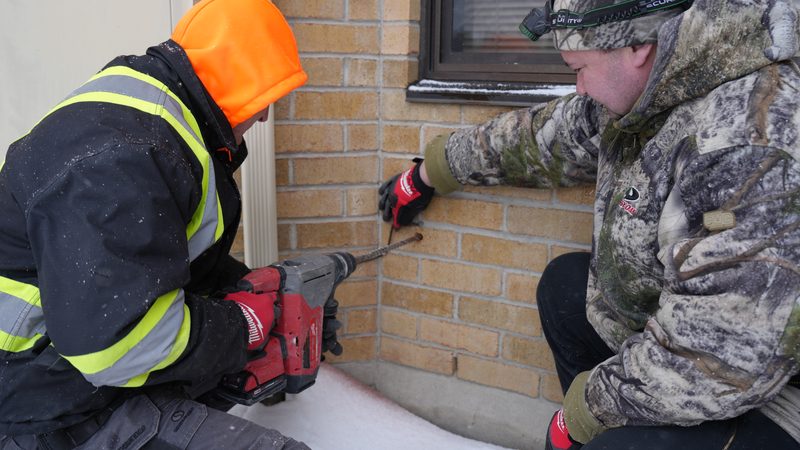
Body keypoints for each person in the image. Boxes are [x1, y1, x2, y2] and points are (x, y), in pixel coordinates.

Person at [379, 0, 800, 448]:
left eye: (579, 68)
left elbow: (719, 355)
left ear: (636, 47)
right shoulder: (655, 91)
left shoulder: (747, 142)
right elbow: (546, 138)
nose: (577, 86)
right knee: (566, 286)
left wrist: (584, 414)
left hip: (770, 394)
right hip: (685, 344)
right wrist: (431, 172)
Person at [0, 0, 320, 448]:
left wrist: (243, 287)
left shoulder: (154, 119)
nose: (265, 115)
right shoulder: (122, 158)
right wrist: (241, 325)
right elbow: (115, 343)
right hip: (39, 404)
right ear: (237, 80)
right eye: (264, 98)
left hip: (67, 370)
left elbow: (148, 257)